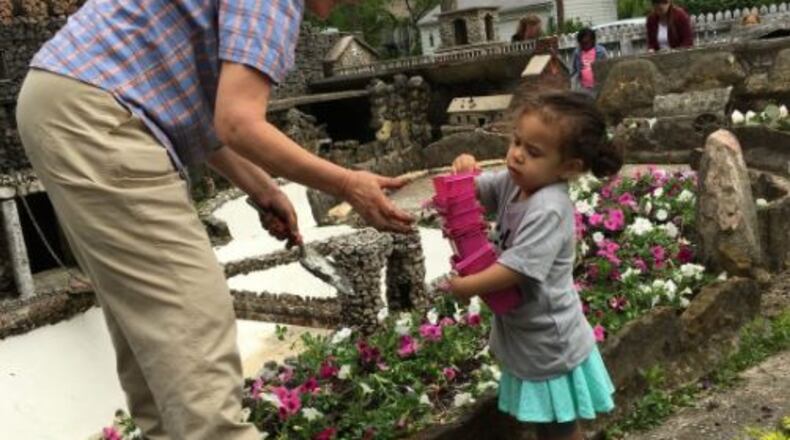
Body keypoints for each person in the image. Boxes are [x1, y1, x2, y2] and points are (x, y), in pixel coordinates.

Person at [15, 0, 413, 438]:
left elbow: (195, 108)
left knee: (156, 337)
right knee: (194, 336)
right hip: (99, 115)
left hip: (65, 99)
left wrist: (263, 187)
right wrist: (346, 184)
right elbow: (238, 123)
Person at [444, 91, 620, 440]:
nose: (517, 155)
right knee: (548, 424)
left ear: (569, 168)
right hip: (528, 332)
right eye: (516, 141)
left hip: (549, 341)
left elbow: (517, 269)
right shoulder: (516, 182)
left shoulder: (549, 207)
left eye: (533, 152)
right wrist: (465, 174)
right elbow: (480, 190)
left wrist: (468, 286)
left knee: (559, 427)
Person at [571, 28, 608, 96]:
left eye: (586, 43)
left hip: (597, 87)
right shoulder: (577, 52)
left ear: (593, 41)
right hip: (583, 88)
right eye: (582, 43)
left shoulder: (601, 51)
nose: (584, 45)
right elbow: (574, 70)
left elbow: (606, 69)